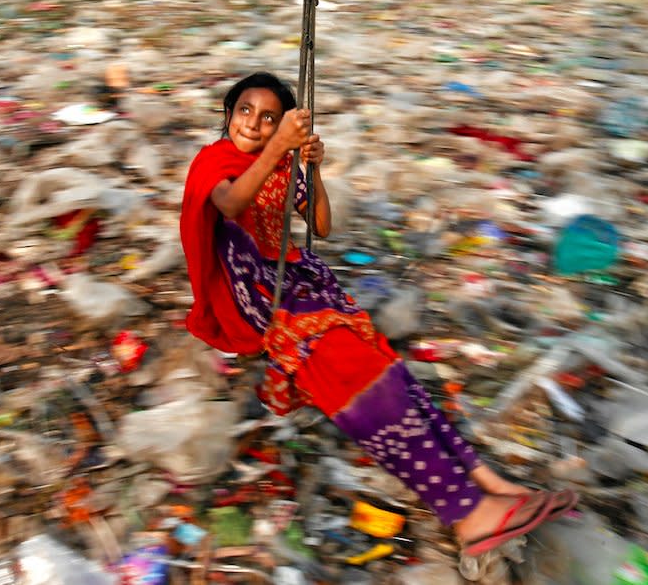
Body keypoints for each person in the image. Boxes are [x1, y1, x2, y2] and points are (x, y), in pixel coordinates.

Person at [180, 72, 575, 555]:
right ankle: (466, 512)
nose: (254, 124)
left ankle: (484, 479)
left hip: (297, 281)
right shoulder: (212, 161)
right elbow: (231, 200)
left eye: (269, 119)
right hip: (256, 298)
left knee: (389, 369)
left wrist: (311, 169)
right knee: (362, 385)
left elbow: (321, 226)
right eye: (245, 110)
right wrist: (277, 146)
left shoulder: (282, 167)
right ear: (227, 113)